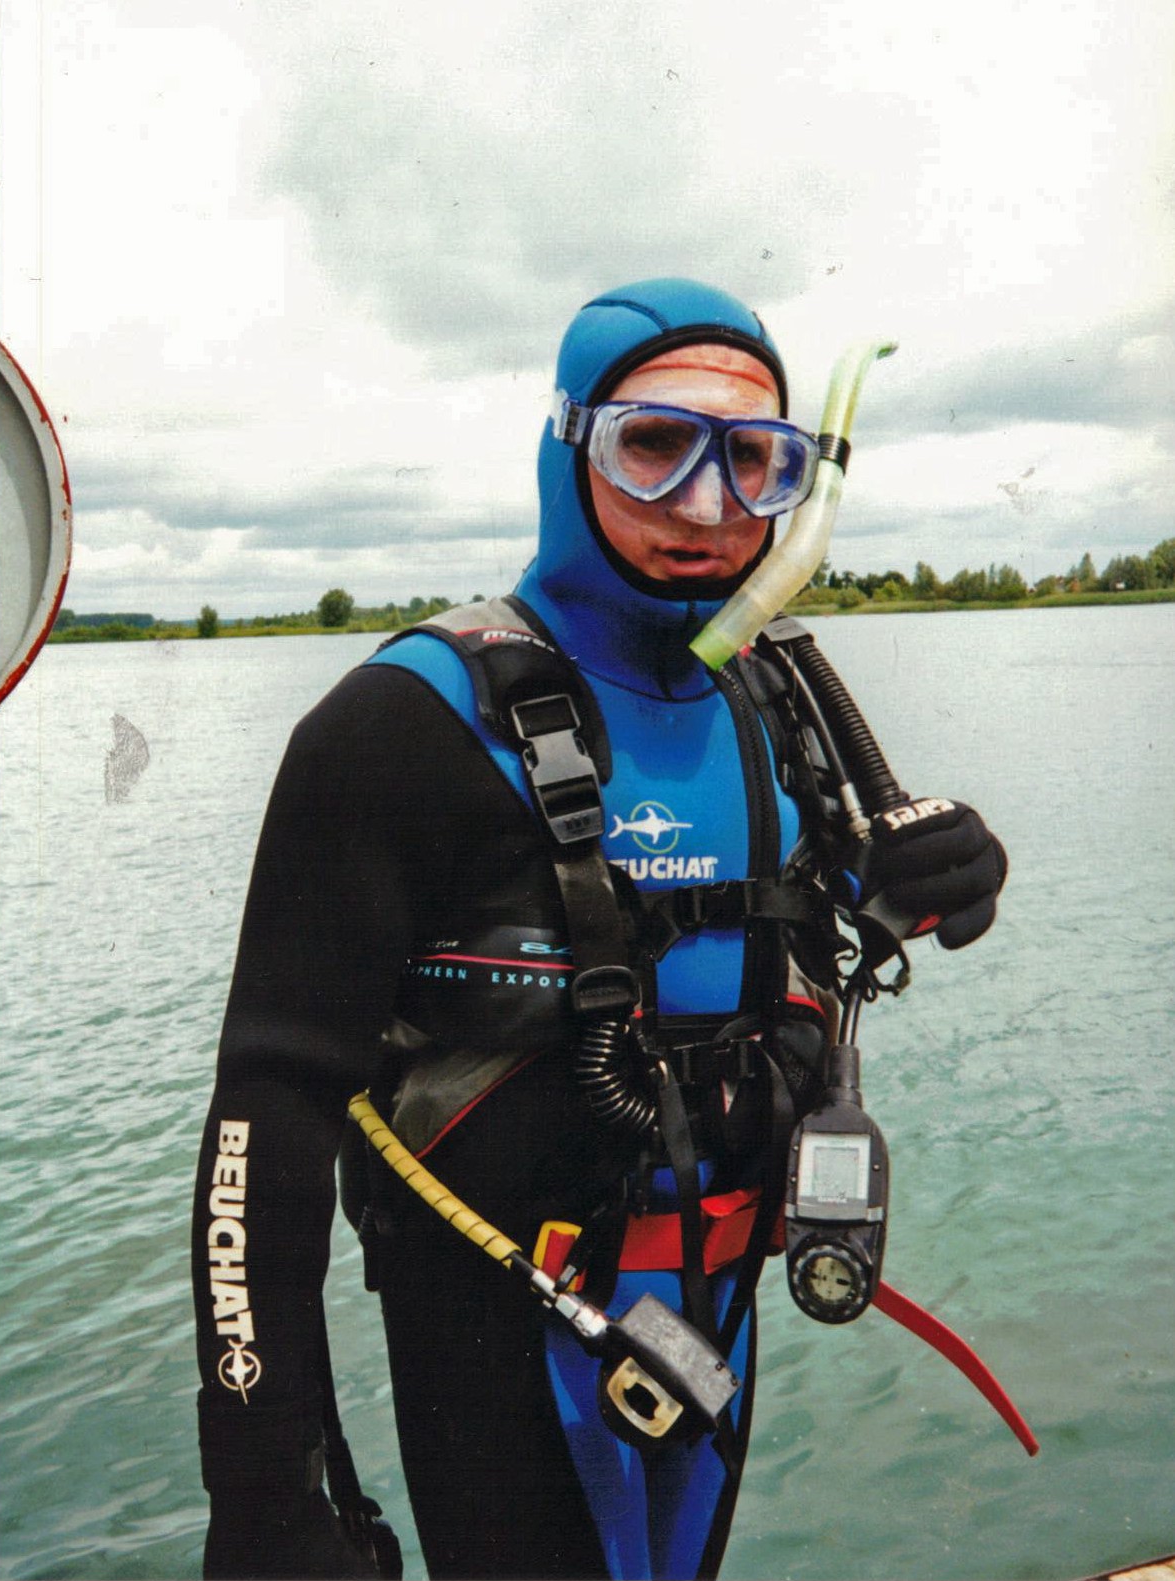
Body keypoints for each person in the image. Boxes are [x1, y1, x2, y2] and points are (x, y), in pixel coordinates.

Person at [192, 277, 1007, 1581]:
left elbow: (768, 922)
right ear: (565, 446)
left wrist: (918, 877)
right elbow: (265, 1122)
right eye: (652, 443)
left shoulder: (769, 696)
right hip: (499, 1322)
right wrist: (266, 1490)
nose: (705, 506)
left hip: (710, 1308)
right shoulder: (404, 721)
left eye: (753, 459)